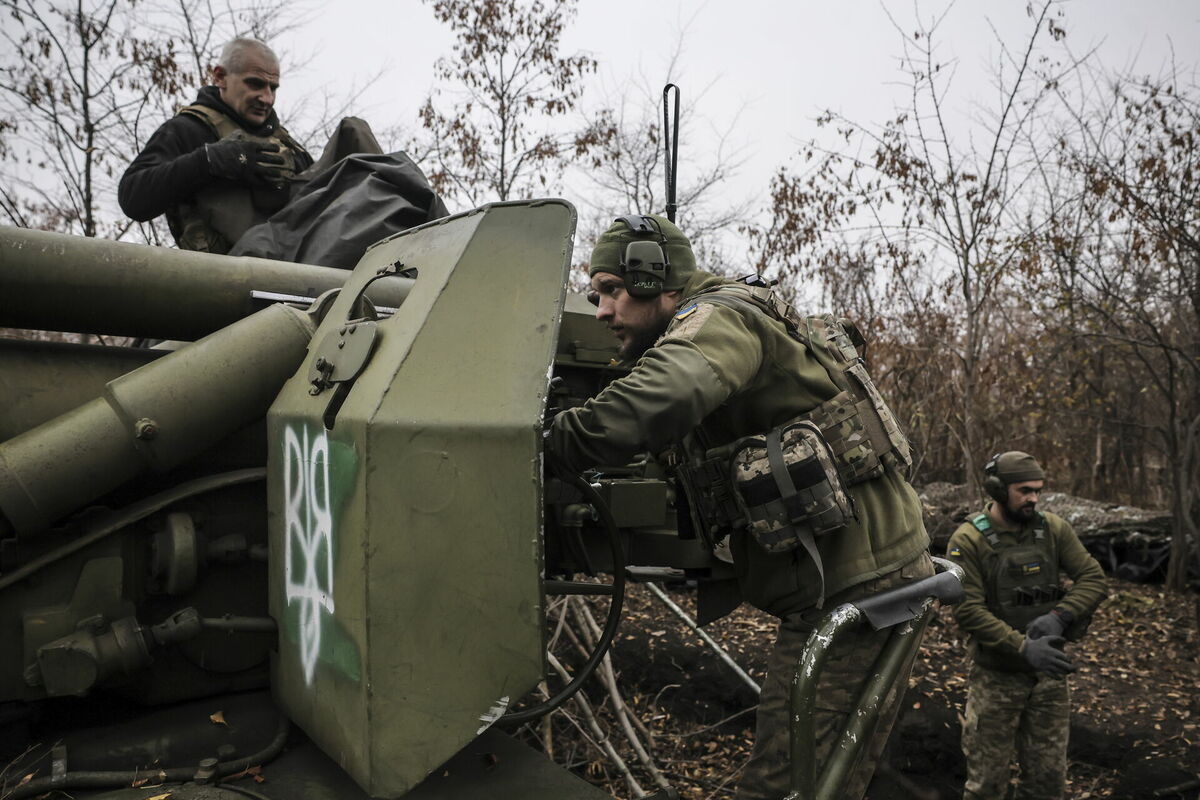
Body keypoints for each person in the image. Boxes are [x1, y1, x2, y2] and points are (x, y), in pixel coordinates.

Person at [547, 214, 934, 800]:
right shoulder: (717, 316)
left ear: (657, 282)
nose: (600, 310)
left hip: (856, 588)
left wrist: (546, 442)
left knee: (788, 785)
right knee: (826, 779)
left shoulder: (717, 319)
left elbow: (663, 396)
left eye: (611, 291)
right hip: (857, 577)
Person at [945, 451, 1107, 799]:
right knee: (986, 785)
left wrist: (1059, 616)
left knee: (1047, 782)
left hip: (1047, 679)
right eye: (1024, 490)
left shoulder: (1053, 530)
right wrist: (1022, 647)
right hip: (995, 680)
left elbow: (1093, 578)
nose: (1033, 498)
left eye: (1038, 490)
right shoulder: (968, 540)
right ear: (997, 490)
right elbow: (968, 611)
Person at [118, 38, 313, 253]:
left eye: (273, 88)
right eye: (255, 84)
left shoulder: (290, 148)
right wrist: (210, 160)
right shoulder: (189, 130)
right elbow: (133, 197)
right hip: (217, 277)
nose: (266, 98)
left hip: (290, 277)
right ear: (220, 77)